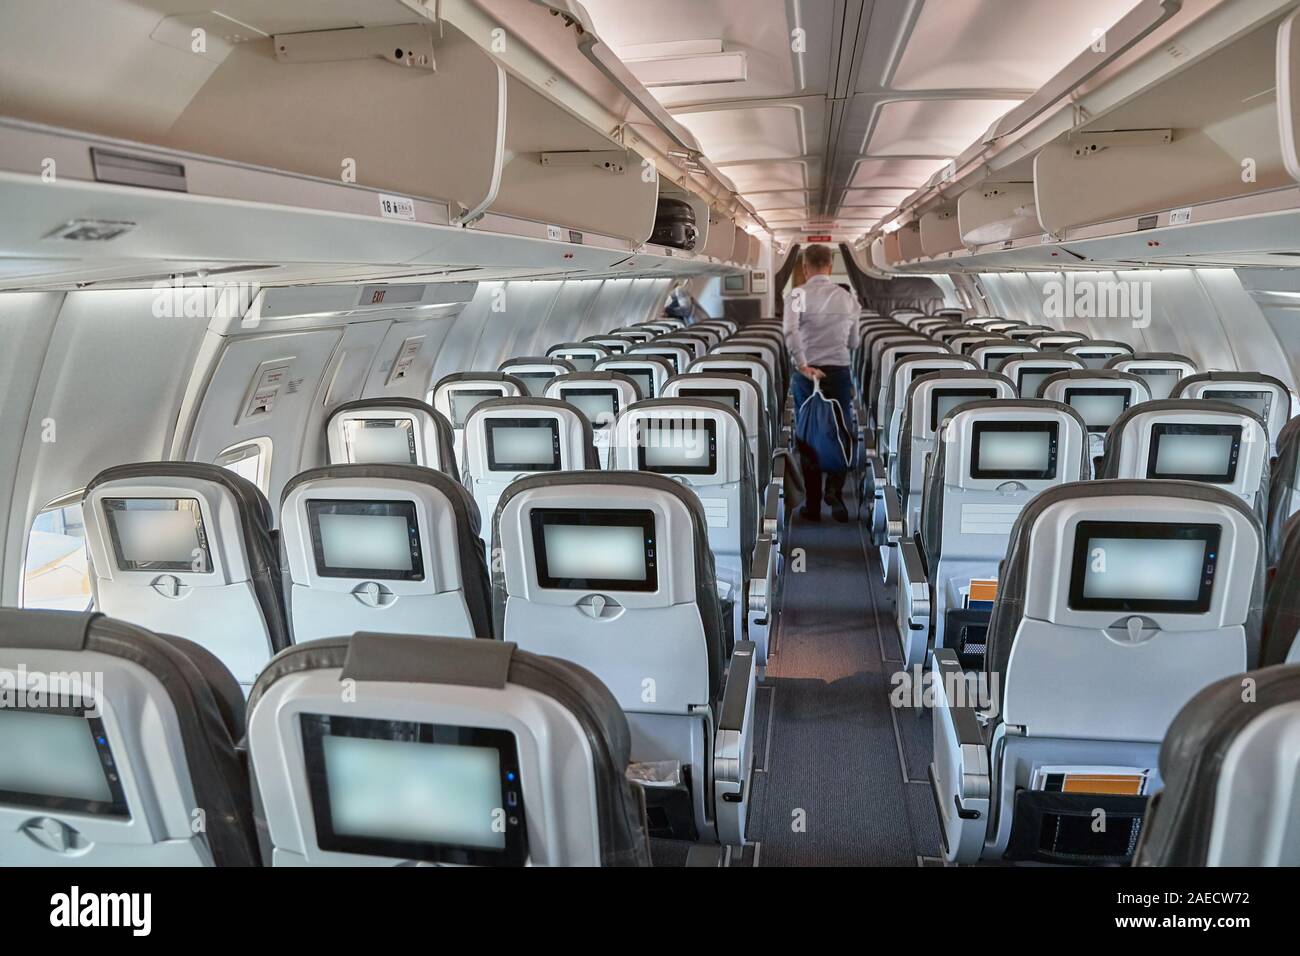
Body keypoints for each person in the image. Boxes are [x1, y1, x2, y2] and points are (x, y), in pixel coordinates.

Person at [782, 244, 860, 522]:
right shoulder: (847, 298)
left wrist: (803, 364)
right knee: (840, 430)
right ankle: (835, 493)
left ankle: (812, 504)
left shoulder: (798, 295)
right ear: (830, 265)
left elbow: (790, 332)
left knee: (809, 433)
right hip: (838, 370)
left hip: (807, 375)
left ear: (805, 267)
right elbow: (854, 342)